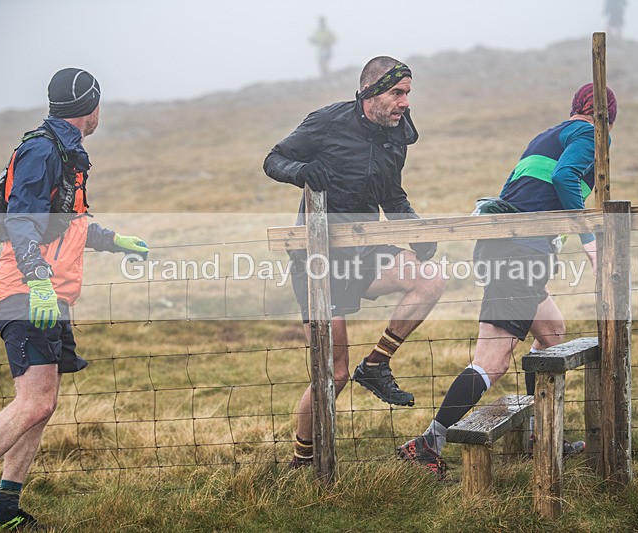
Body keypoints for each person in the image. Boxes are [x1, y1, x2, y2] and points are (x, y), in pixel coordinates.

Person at [0, 68, 149, 532]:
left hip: (48, 296)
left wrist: (114, 239)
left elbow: (69, 224)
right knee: (34, 404)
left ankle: (5, 511)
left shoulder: (67, 153)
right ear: (92, 108)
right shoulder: (43, 149)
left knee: (41, 406)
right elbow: (22, 221)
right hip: (26, 292)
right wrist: (38, 279)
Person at [398, 83, 618, 478]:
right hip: (520, 255)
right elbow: (567, 176)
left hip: (510, 250)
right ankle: (429, 442)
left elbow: (511, 193)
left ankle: (538, 437)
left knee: (552, 333)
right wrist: (588, 238)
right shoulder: (587, 134)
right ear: (606, 118)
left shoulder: (548, 134)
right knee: (492, 362)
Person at [263, 56, 446, 468]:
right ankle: (302, 459)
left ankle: (377, 364)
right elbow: (273, 160)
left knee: (430, 279)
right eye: (397, 93)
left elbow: (391, 194)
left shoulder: (397, 134)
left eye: (408, 94)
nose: (404, 103)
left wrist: (415, 230)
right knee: (333, 373)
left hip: (364, 248)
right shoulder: (327, 121)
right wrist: (304, 172)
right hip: (318, 257)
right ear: (370, 93)